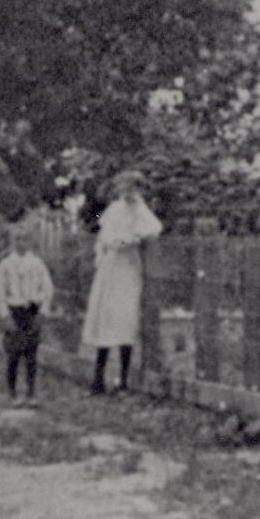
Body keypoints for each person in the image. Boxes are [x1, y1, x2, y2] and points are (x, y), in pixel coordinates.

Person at [81, 170, 163, 396]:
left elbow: (154, 228)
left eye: (131, 188)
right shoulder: (112, 209)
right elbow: (100, 228)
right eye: (123, 188)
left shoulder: (140, 210)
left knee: (124, 319)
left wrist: (133, 238)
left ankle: (124, 381)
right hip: (110, 267)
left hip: (127, 268)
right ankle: (98, 380)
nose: (126, 193)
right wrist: (106, 240)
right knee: (105, 318)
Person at [0, 224, 54, 407]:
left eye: (24, 239)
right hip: (14, 311)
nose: (21, 243)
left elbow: (48, 289)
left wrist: (43, 311)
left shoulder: (37, 264)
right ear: (12, 242)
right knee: (13, 354)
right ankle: (12, 392)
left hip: (31, 311)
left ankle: (31, 392)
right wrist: (5, 315)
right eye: (17, 240)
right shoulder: (5, 265)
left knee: (32, 354)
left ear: (30, 241)